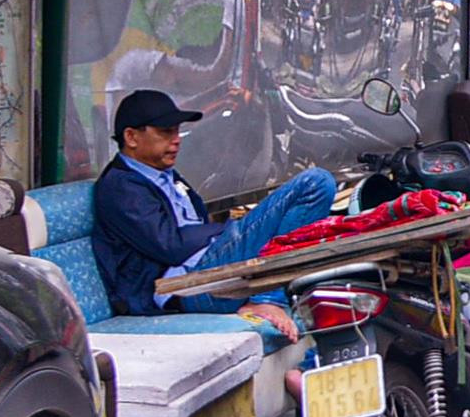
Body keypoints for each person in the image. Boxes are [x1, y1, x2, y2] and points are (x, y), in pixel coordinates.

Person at [93, 88, 338, 332]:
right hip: (184, 287)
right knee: (314, 183)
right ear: (132, 137)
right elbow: (170, 245)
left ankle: (272, 296)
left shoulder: (163, 174)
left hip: (209, 267)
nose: (176, 139)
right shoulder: (121, 185)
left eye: (177, 131)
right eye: (166, 132)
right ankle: (267, 299)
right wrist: (227, 230)